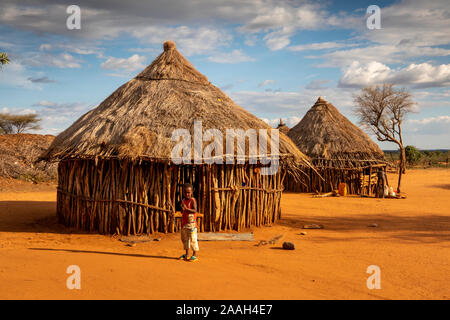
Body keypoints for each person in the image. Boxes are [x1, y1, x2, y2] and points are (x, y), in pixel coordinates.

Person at [177, 183, 199, 262]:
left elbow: (195, 210)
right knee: (185, 239)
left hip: (192, 224)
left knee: (193, 239)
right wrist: (182, 210)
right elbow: (182, 211)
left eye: (188, 192)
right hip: (185, 223)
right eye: (185, 192)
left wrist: (186, 209)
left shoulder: (193, 200)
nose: (187, 194)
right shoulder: (183, 201)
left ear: (191, 192)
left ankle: (194, 255)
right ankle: (186, 254)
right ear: (183, 193)